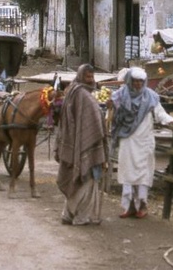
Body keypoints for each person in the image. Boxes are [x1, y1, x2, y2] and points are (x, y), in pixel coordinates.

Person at [107, 67, 173, 219]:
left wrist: (169, 121)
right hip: (127, 139)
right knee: (127, 172)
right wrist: (110, 106)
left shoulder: (151, 96)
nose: (138, 84)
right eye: (135, 81)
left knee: (143, 173)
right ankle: (129, 206)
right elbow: (111, 114)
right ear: (130, 81)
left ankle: (143, 205)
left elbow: (160, 113)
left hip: (144, 140)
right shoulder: (119, 95)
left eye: (141, 81)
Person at [55, 64, 106, 226]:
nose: (90, 80)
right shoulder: (83, 95)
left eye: (92, 77)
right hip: (86, 146)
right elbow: (94, 124)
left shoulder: (73, 90)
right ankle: (81, 216)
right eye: (87, 77)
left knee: (74, 180)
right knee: (85, 182)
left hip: (73, 143)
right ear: (80, 77)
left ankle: (67, 214)